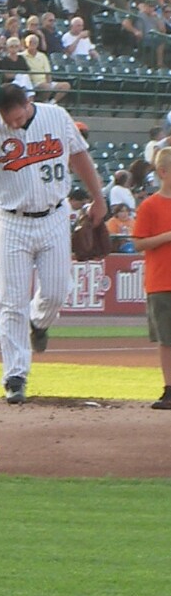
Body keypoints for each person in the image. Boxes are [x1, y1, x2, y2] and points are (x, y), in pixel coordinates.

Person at [0, 81, 106, 403]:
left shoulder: (55, 115)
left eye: (18, 117)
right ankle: (15, 376)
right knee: (12, 301)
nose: (14, 124)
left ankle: (39, 323)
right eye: (8, 119)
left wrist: (98, 198)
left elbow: (80, 156)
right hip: (12, 222)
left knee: (57, 291)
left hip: (55, 215)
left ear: (28, 103)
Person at [129, 147, 171, 409]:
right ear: (163, 172)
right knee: (167, 340)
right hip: (161, 282)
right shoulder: (150, 205)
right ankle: (169, 388)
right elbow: (138, 243)